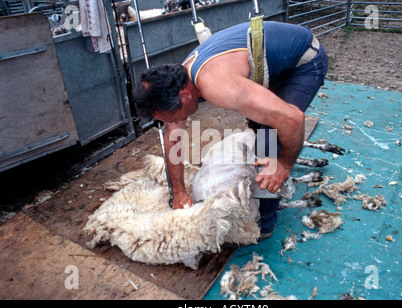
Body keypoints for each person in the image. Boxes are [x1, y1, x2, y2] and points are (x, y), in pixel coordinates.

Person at [133, 21, 328, 239]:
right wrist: (179, 191)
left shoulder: (216, 85)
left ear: (185, 97)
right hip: (273, 60)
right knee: (260, 125)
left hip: (304, 61)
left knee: (269, 139)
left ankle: (264, 225)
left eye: (178, 116)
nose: (180, 120)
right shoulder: (179, 80)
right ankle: (267, 184)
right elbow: (173, 138)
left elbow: (293, 118)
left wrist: (283, 165)